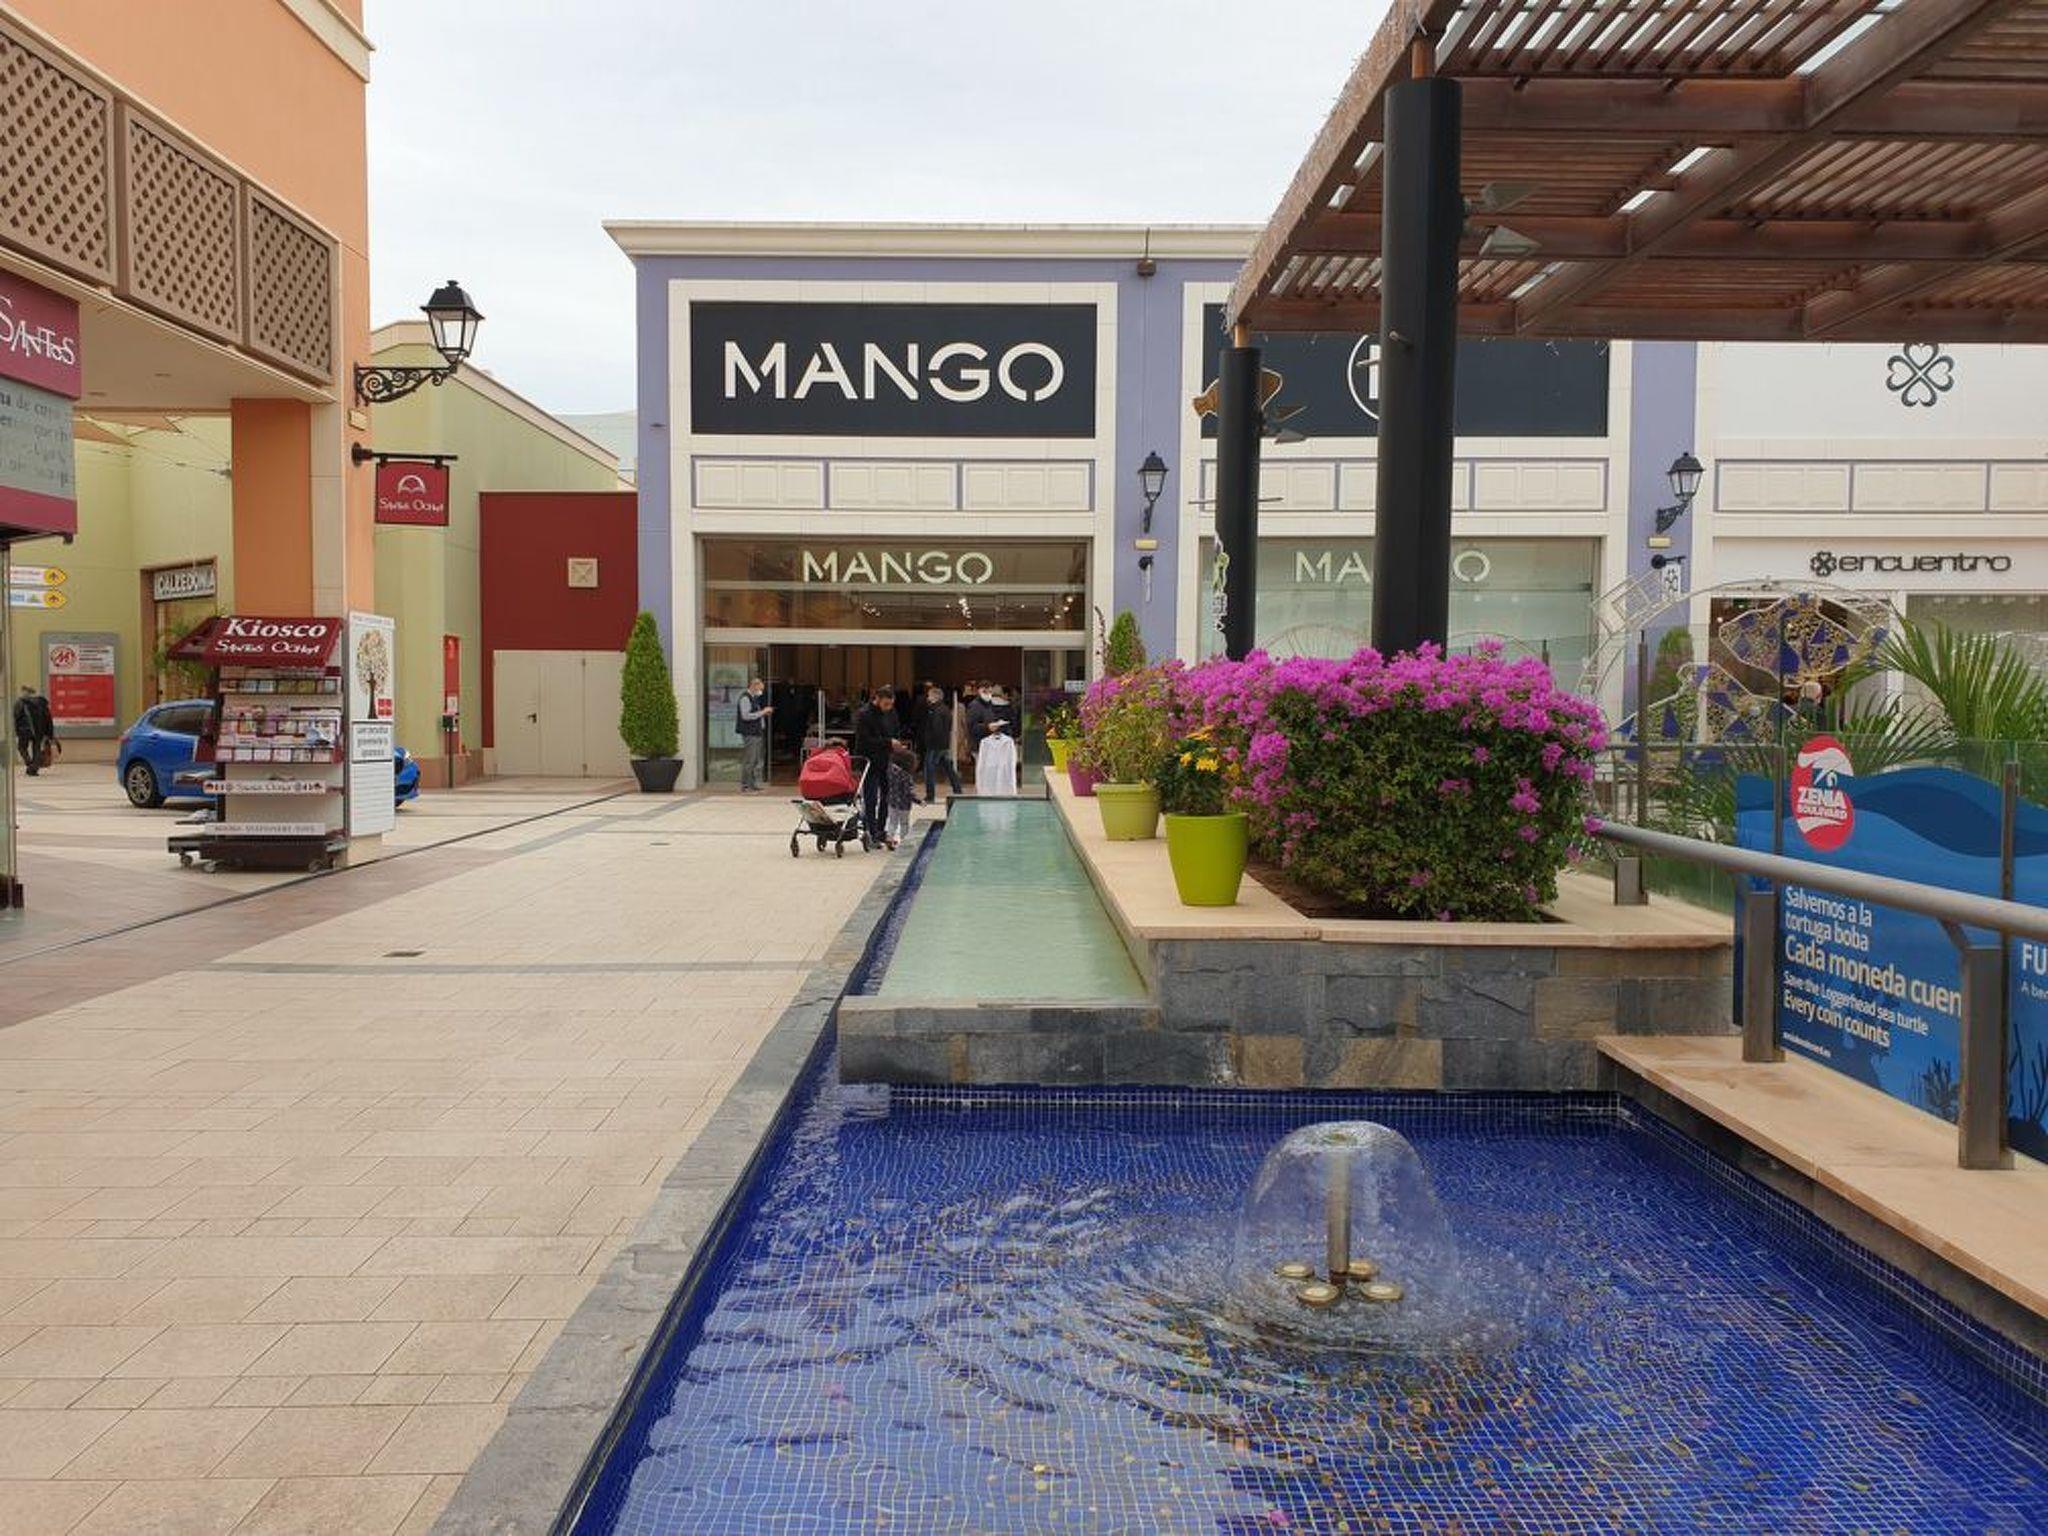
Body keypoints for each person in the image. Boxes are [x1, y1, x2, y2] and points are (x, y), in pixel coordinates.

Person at [851, 684, 900, 840]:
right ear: (877, 699)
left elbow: (895, 730)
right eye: (886, 704)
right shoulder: (864, 714)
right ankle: (871, 831)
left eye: (891, 704)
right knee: (871, 798)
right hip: (870, 762)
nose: (888, 708)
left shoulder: (891, 713)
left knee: (887, 796)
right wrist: (888, 742)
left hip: (886, 759)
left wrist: (895, 744)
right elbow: (864, 741)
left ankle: (880, 828)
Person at [918, 683, 961, 802]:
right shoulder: (946, 709)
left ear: (935, 697)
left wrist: (929, 742)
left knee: (929, 770)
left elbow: (936, 729)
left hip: (934, 746)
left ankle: (930, 795)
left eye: (929, 696)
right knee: (949, 769)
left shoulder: (935, 711)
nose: (928, 698)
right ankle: (958, 790)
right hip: (944, 744)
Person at [975, 685, 1019, 795]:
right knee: (1006, 767)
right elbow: (1014, 723)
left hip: (989, 735)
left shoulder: (987, 706)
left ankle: (988, 789)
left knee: (986, 768)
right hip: (1005, 738)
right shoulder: (1008, 707)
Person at [736, 676, 772, 792]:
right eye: (759, 689)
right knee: (750, 759)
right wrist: (763, 712)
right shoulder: (745, 698)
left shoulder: (754, 698)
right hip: (750, 733)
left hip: (756, 732)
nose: (760, 691)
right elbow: (746, 716)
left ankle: (752, 784)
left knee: (756, 759)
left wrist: (763, 713)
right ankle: (745, 784)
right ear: (754, 686)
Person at [13, 684, 54, 777]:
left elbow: (16, 717)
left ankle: (30, 763)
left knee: (21, 747)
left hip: (24, 730)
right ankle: (33, 768)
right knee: (36, 749)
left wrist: (16, 730)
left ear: (25, 691)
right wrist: (49, 733)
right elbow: (48, 719)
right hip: (39, 730)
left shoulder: (20, 702)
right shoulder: (42, 703)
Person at [884, 742, 918, 849]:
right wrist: (918, 801)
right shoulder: (907, 777)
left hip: (892, 801)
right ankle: (904, 840)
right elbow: (909, 792)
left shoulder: (891, 772)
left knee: (892, 822)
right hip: (904, 804)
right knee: (904, 823)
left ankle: (890, 837)